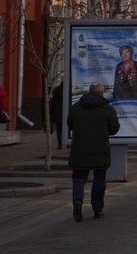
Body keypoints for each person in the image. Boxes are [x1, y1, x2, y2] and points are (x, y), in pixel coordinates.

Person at [66, 82, 120, 221]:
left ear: (89, 92)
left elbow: (70, 125)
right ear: (102, 93)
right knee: (99, 180)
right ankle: (97, 209)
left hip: (79, 149)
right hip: (100, 149)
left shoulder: (76, 107)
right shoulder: (108, 109)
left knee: (78, 178)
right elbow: (114, 129)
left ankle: (77, 200)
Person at [49, 82, 65, 150]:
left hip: (58, 113)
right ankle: (68, 144)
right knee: (67, 128)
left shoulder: (56, 90)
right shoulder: (68, 90)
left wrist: (51, 112)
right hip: (65, 112)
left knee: (59, 129)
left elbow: (53, 102)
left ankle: (60, 144)